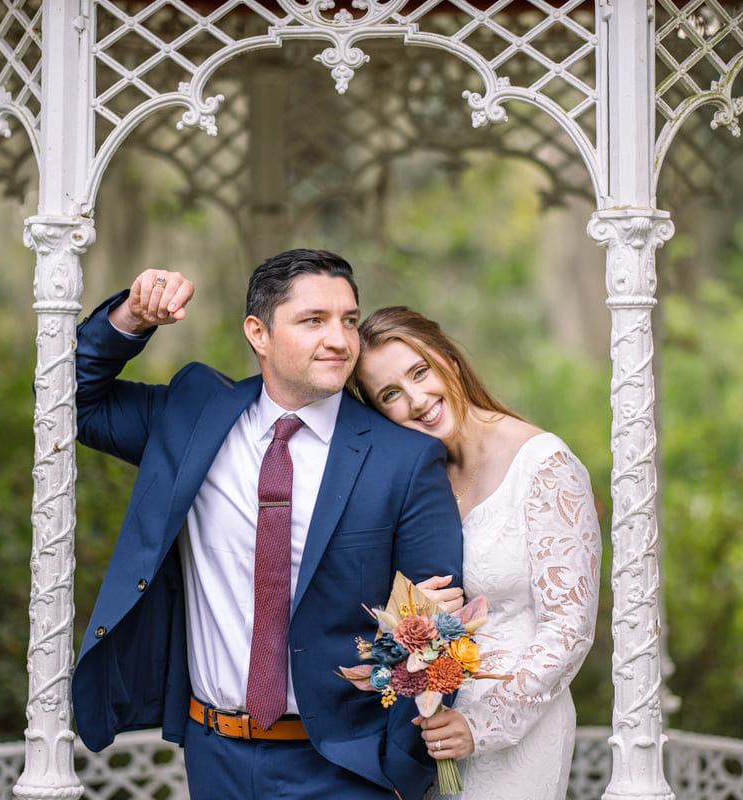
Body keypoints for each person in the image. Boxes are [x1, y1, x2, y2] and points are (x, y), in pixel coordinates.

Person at [69, 251, 464, 800]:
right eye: (313, 321)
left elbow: (436, 629)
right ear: (258, 332)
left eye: (348, 320)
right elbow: (69, 401)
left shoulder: (405, 459)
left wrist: (400, 768)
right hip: (214, 754)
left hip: (346, 769)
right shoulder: (191, 418)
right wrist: (130, 319)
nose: (340, 339)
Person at [351, 306, 602, 800]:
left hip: (517, 731)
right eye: (391, 395)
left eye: (419, 372)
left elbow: (570, 629)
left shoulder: (544, 463)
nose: (418, 400)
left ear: (448, 358)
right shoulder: (421, 479)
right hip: (430, 729)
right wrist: (410, 612)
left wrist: (481, 725)